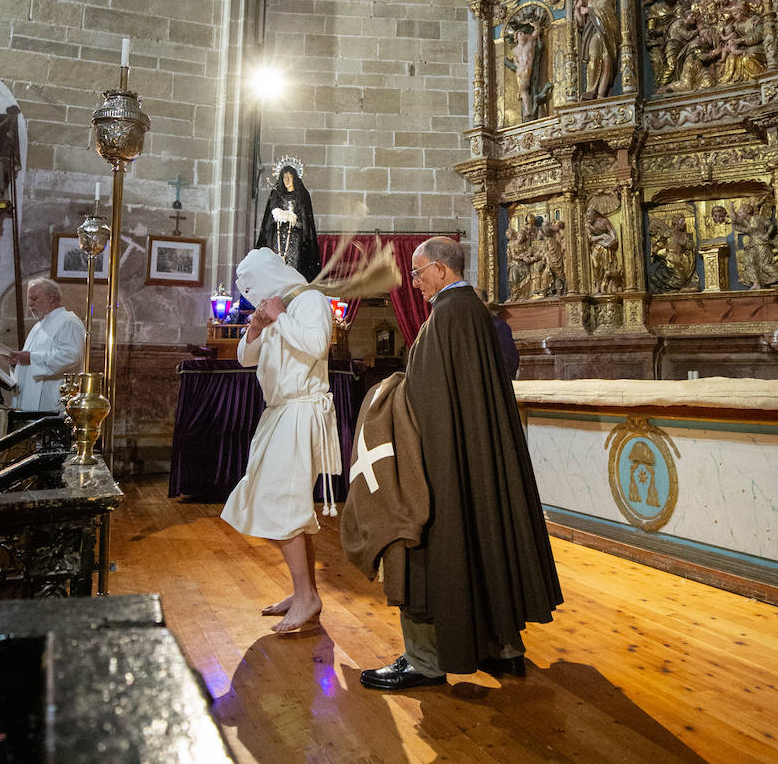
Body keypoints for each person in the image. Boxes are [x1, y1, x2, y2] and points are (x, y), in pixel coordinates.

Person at [359, 238, 561, 691]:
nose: (414, 283)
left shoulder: (446, 318)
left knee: (434, 547)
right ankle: (502, 647)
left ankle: (424, 659)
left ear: (442, 271)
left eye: (418, 273)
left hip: (447, 463)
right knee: (488, 537)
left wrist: (389, 391)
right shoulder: (481, 314)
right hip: (483, 459)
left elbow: (422, 401)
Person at [221, 248, 340, 634]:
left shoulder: (309, 300)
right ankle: (304, 592)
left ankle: (306, 596)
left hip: (300, 412)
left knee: (281, 504)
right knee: (286, 505)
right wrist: (255, 330)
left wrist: (279, 317)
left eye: (255, 289)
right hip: (278, 414)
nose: (253, 298)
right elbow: (246, 359)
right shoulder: (277, 308)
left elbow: (317, 343)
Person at [0, 278, 85, 412]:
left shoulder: (69, 322)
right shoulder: (38, 326)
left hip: (50, 400)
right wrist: (17, 362)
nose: (29, 303)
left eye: (34, 298)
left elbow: (71, 356)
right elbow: (30, 360)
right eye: (29, 299)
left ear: (50, 298)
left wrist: (31, 358)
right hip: (27, 400)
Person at [256, 162, 320, 280]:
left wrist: (294, 219)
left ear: (294, 178)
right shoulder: (276, 193)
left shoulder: (302, 194)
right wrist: (279, 214)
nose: (287, 180)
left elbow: (305, 218)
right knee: (275, 266)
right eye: (285, 177)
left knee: (293, 266)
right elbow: (269, 217)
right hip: (278, 237)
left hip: (295, 237)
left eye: (290, 177)